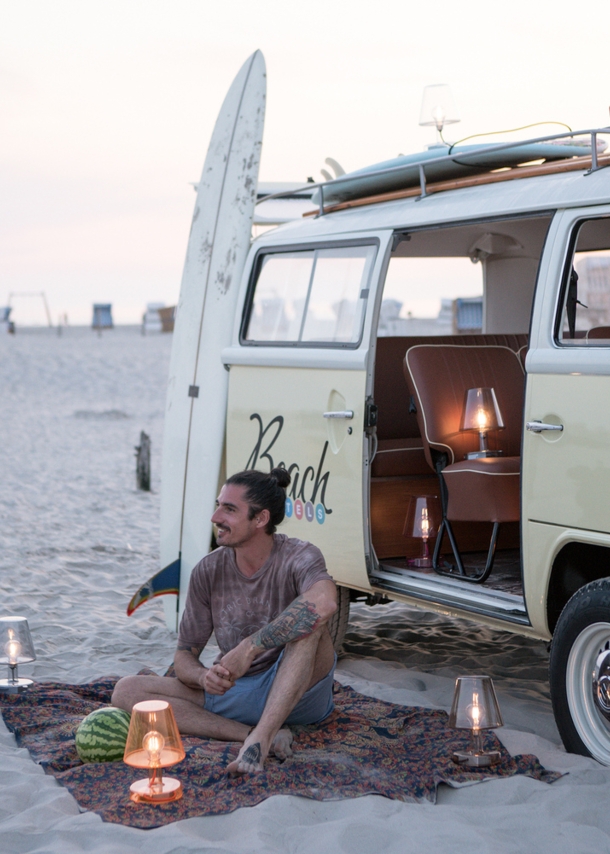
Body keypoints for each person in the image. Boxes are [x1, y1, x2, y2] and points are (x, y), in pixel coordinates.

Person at [112, 468, 338, 775]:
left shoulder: (298, 556)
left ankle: (262, 735)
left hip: (300, 694)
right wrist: (204, 678)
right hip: (237, 692)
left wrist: (249, 647)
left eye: (229, 509)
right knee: (126, 691)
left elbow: (325, 601)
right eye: (218, 505)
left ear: (260, 519)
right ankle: (246, 734)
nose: (215, 516)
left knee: (310, 624)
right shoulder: (208, 570)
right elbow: (184, 656)